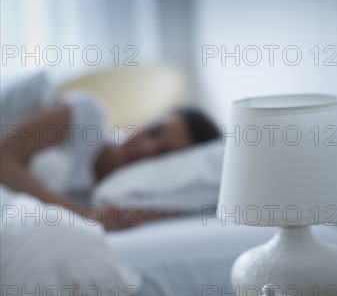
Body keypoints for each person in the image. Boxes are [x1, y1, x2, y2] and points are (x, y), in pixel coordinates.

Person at [1, 98, 220, 230]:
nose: (146, 149)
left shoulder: (117, 197)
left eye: (162, 155)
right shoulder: (86, 117)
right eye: (153, 131)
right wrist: (84, 217)